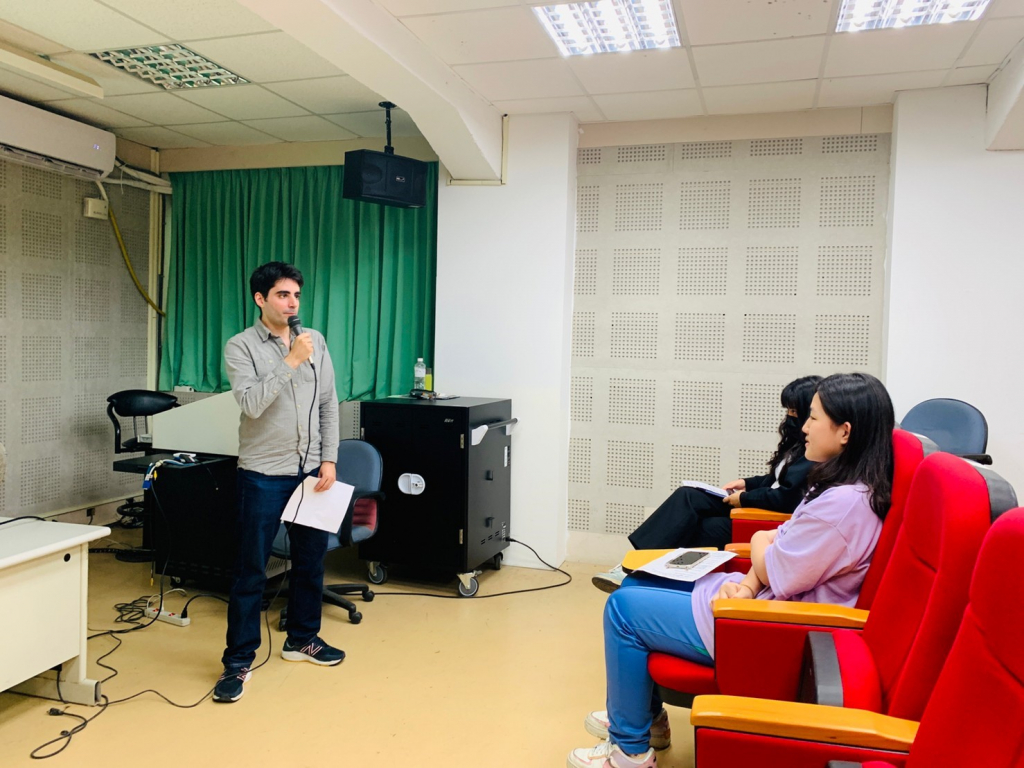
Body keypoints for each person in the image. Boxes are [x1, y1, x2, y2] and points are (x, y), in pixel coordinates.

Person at [569, 372, 894, 768]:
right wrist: (752, 573)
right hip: (754, 601)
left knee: (622, 609)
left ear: (844, 431)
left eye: (812, 418)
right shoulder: (841, 488)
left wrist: (759, 554)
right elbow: (777, 545)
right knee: (639, 580)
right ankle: (647, 721)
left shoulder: (842, 507)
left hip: (763, 626)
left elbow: (778, 561)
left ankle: (629, 750)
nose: (803, 427)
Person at [213, 262, 343, 704]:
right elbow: (251, 404)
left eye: (296, 296)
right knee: (252, 569)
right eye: (283, 295)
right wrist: (289, 361)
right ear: (260, 299)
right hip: (263, 473)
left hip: (310, 472)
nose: (292, 303)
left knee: (310, 561)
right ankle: (238, 661)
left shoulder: (316, 342)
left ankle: (302, 638)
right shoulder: (241, 346)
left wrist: (329, 459)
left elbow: (328, 403)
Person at [592, 376, 822, 593]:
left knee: (699, 526)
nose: (790, 417)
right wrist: (746, 483)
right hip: (756, 505)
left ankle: (635, 571)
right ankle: (635, 565)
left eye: (795, 411)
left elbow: (786, 498)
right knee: (688, 495)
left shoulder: (815, 453)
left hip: (761, 518)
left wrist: (743, 498)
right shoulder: (798, 445)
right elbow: (774, 481)